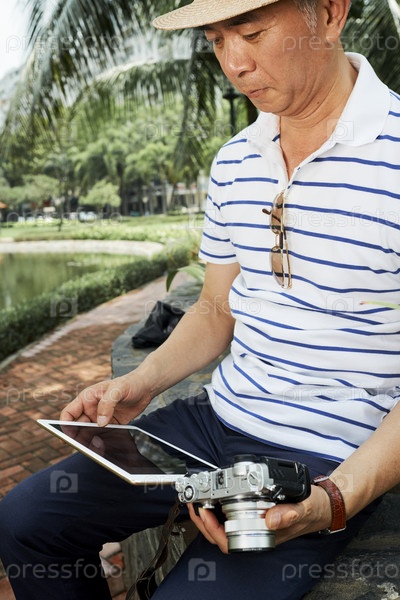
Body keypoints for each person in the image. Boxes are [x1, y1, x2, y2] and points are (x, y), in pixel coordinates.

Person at [1, 0, 400, 598]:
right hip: (213, 422)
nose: (234, 64)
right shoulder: (236, 160)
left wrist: (336, 499)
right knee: (25, 523)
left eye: (252, 33)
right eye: (216, 41)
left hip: (326, 457)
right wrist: (142, 382)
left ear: (330, 14)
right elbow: (217, 309)